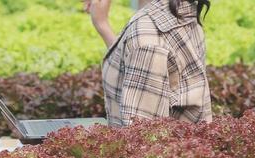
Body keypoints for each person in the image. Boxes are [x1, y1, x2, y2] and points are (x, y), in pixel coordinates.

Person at [84, 0, 213, 127]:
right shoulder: (182, 9)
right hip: (188, 144)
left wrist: (102, 24)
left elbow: (143, 138)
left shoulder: (147, 36)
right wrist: (102, 24)